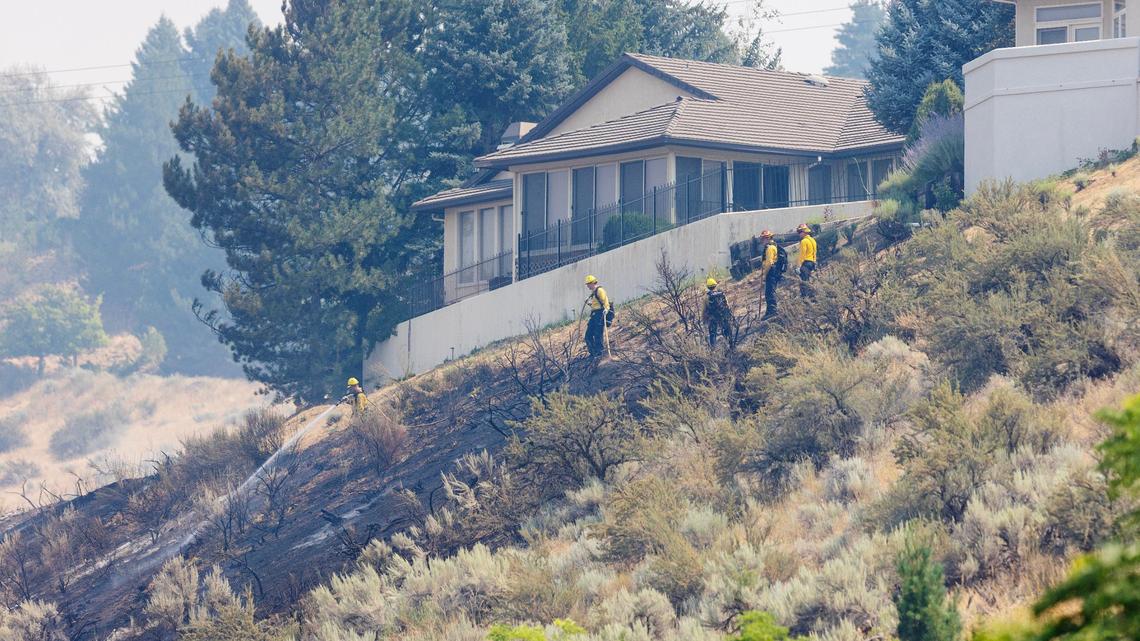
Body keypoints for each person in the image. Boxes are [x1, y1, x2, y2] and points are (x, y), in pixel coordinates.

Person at [759, 229, 785, 320]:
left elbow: (769, 262)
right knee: (768, 292)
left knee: (770, 292)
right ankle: (769, 311)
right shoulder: (773, 246)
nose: (762, 241)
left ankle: (773, 311)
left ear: (767, 238)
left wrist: (765, 273)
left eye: (763, 239)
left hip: (771, 271)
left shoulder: (770, 248)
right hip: (773, 271)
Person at [584, 274, 610, 358]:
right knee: (588, 334)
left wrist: (606, 309)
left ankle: (599, 352)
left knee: (598, 333)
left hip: (600, 314)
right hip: (594, 314)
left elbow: (605, 301)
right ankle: (593, 353)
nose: (587, 286)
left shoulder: (600, 290)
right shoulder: (593, 292)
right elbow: (596, 305)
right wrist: (589, 303)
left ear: (592, 283)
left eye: (588, 284)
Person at [704, 277, 734, 348]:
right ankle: (731, 346)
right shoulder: (722, 294)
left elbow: (705, 309)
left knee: (712, 333)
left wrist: (705, 319)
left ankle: (713, 349)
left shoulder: (707, 296)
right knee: (727, 330)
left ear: (708, 287)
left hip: (713, 317)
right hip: (723, 315)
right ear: (715, 285)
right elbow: (727, 305)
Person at [796, 223, 817, 298]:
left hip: (805, 263)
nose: (799, 234)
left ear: (804, 232)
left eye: (799, 232)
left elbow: (802, 255)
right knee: (808, 280)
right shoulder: (813, 240)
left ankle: (805, 298)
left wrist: (798, 266)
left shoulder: (804, 241)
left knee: (804, 282)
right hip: (811, 263)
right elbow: (815, 252)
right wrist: (814, 262)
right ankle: (811, 296)